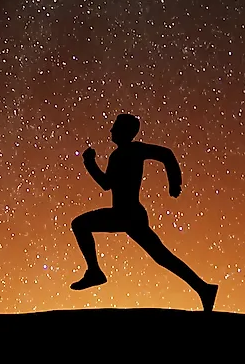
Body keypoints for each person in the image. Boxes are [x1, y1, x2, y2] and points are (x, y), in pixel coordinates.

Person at [70, 113, 218, 312]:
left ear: (124, 131)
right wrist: (90, 164)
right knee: (162, 256)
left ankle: (95, 272)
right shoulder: (119, 155)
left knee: (80, 224)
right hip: (128, 214)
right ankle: (203, 288)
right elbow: (107, 183)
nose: (111, 130)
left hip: (126, 214)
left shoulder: (133, 150)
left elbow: (166, 155)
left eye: (115, 127)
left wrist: (175, 183)